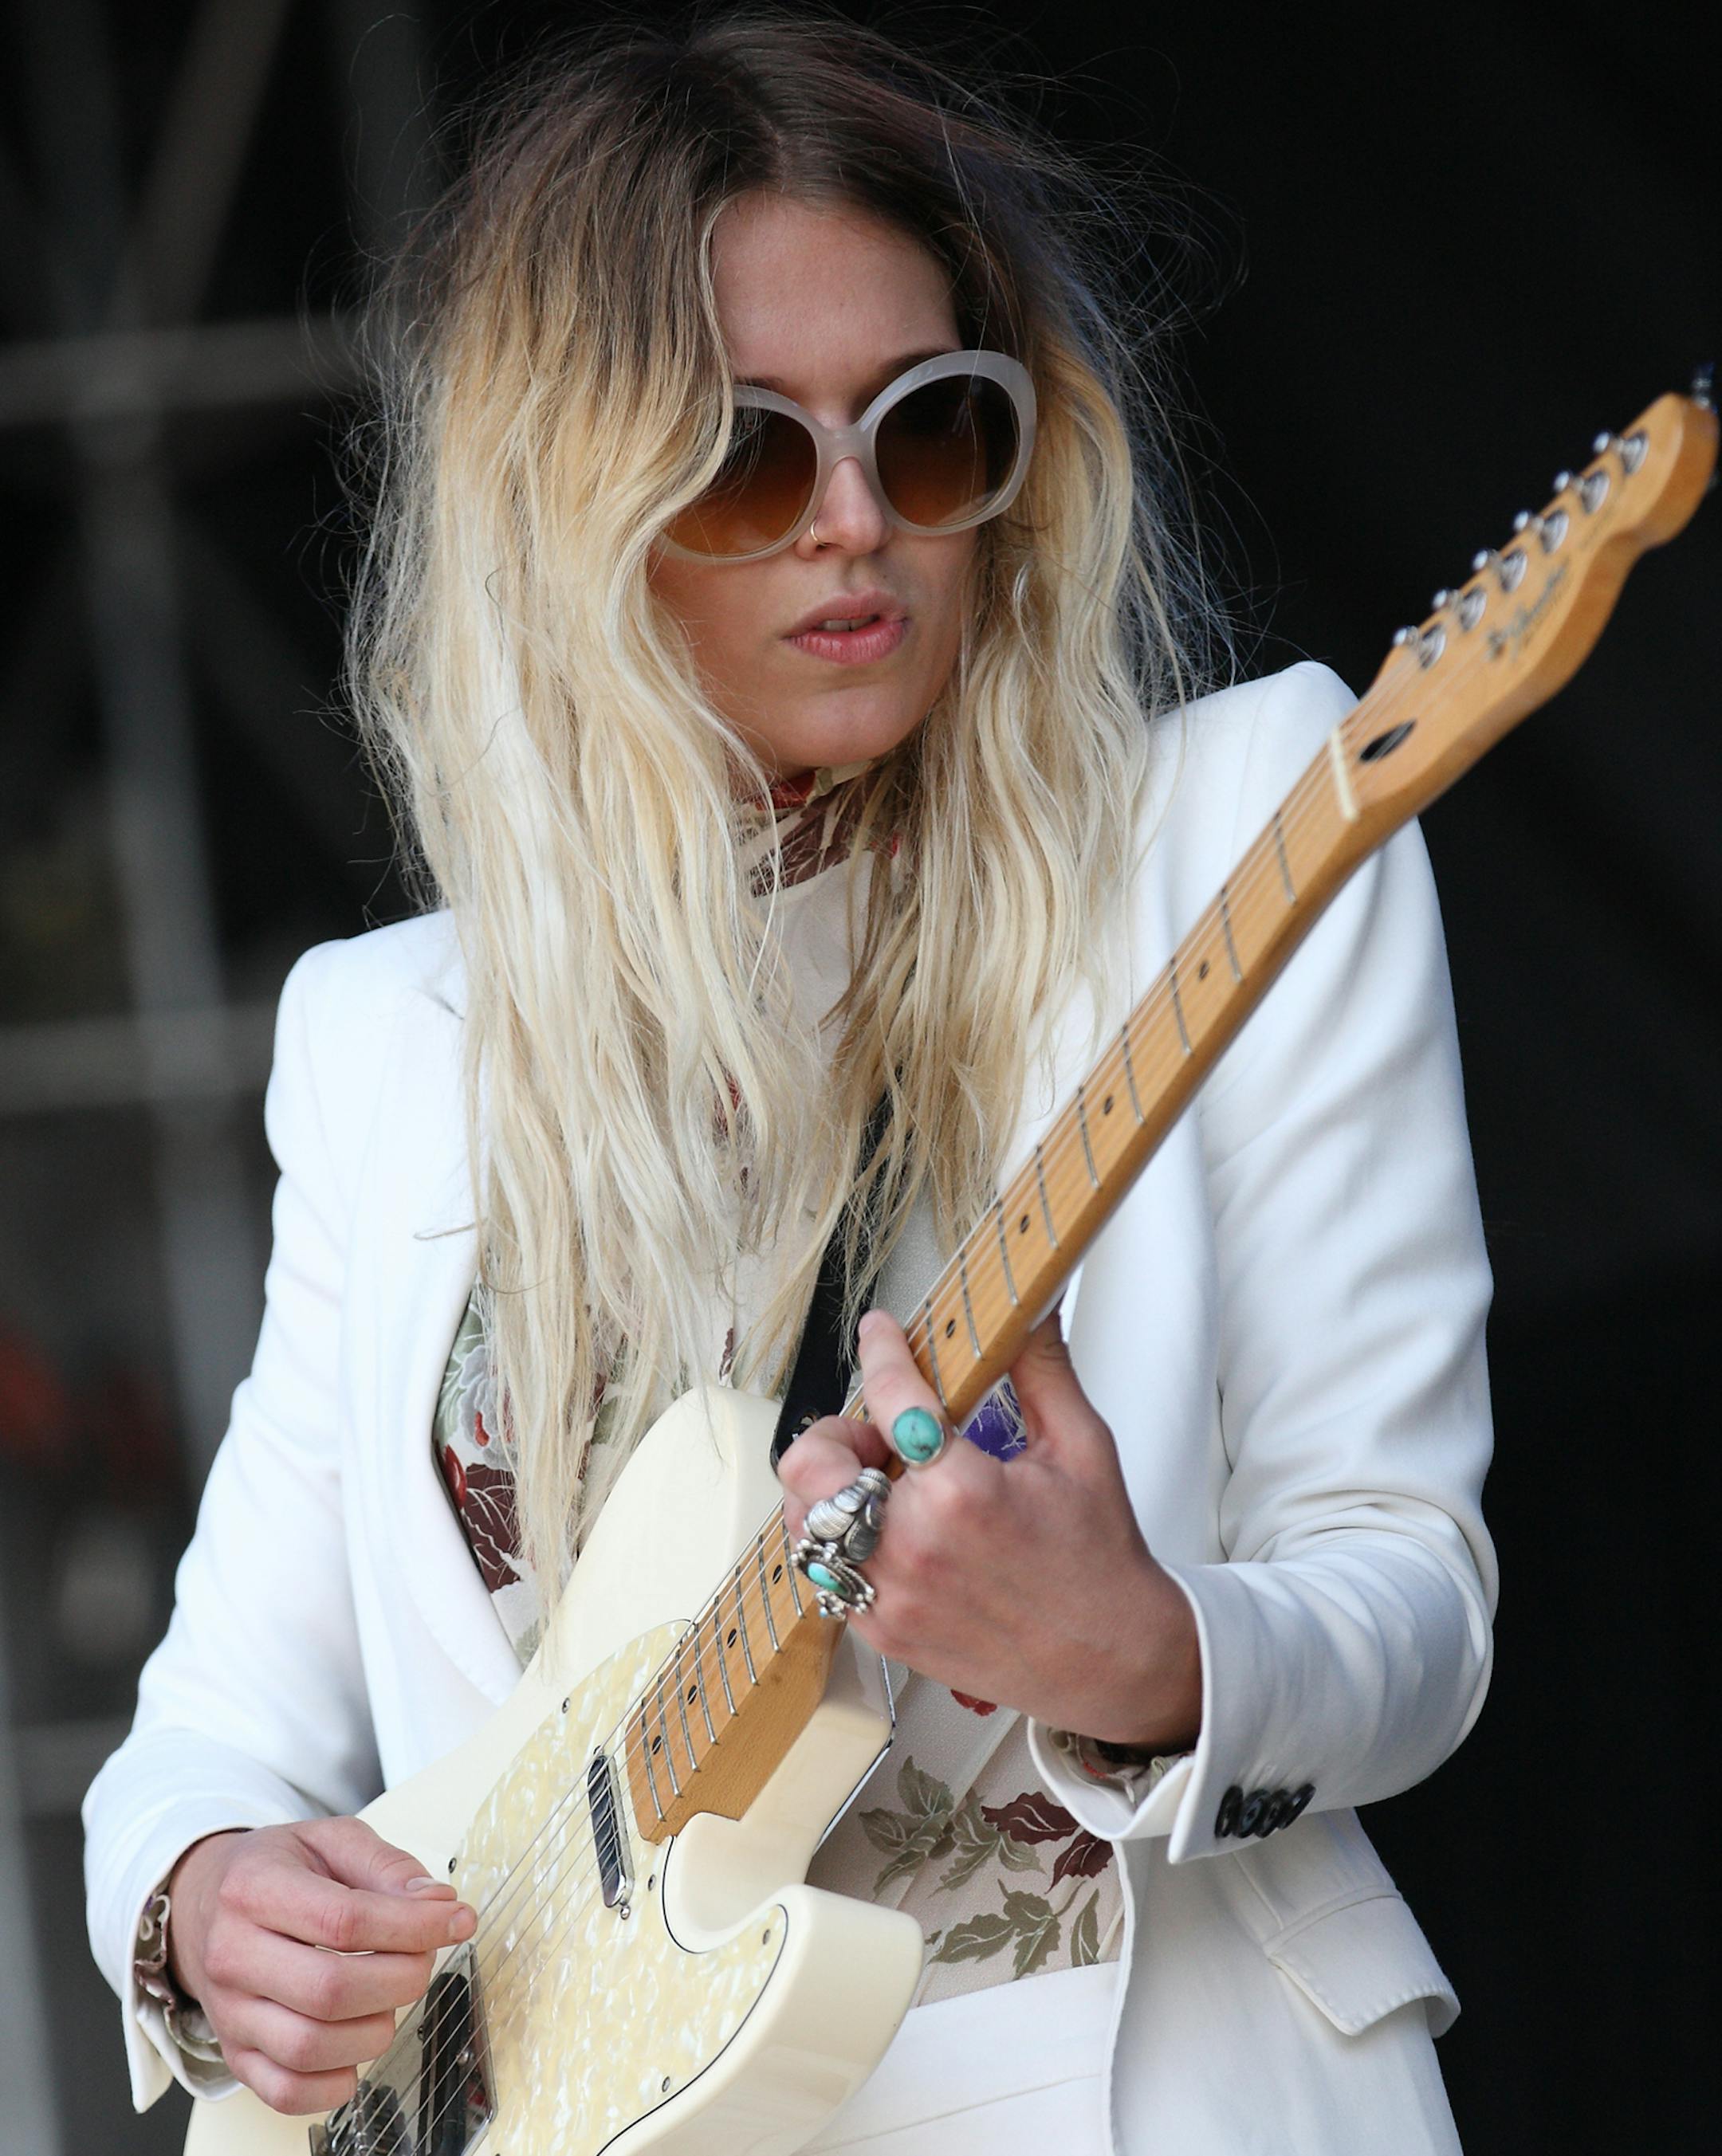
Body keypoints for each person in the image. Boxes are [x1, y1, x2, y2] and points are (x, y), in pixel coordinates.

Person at [83, 12, 1495, 2152]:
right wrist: (200, 1908)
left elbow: (1414, 1590)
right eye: (752, 454)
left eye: (929, 435)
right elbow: (203, 1736)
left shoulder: (1240, 835)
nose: (856, 523)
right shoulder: (391, 1042)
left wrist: (1140, 1650)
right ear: (574, 510)